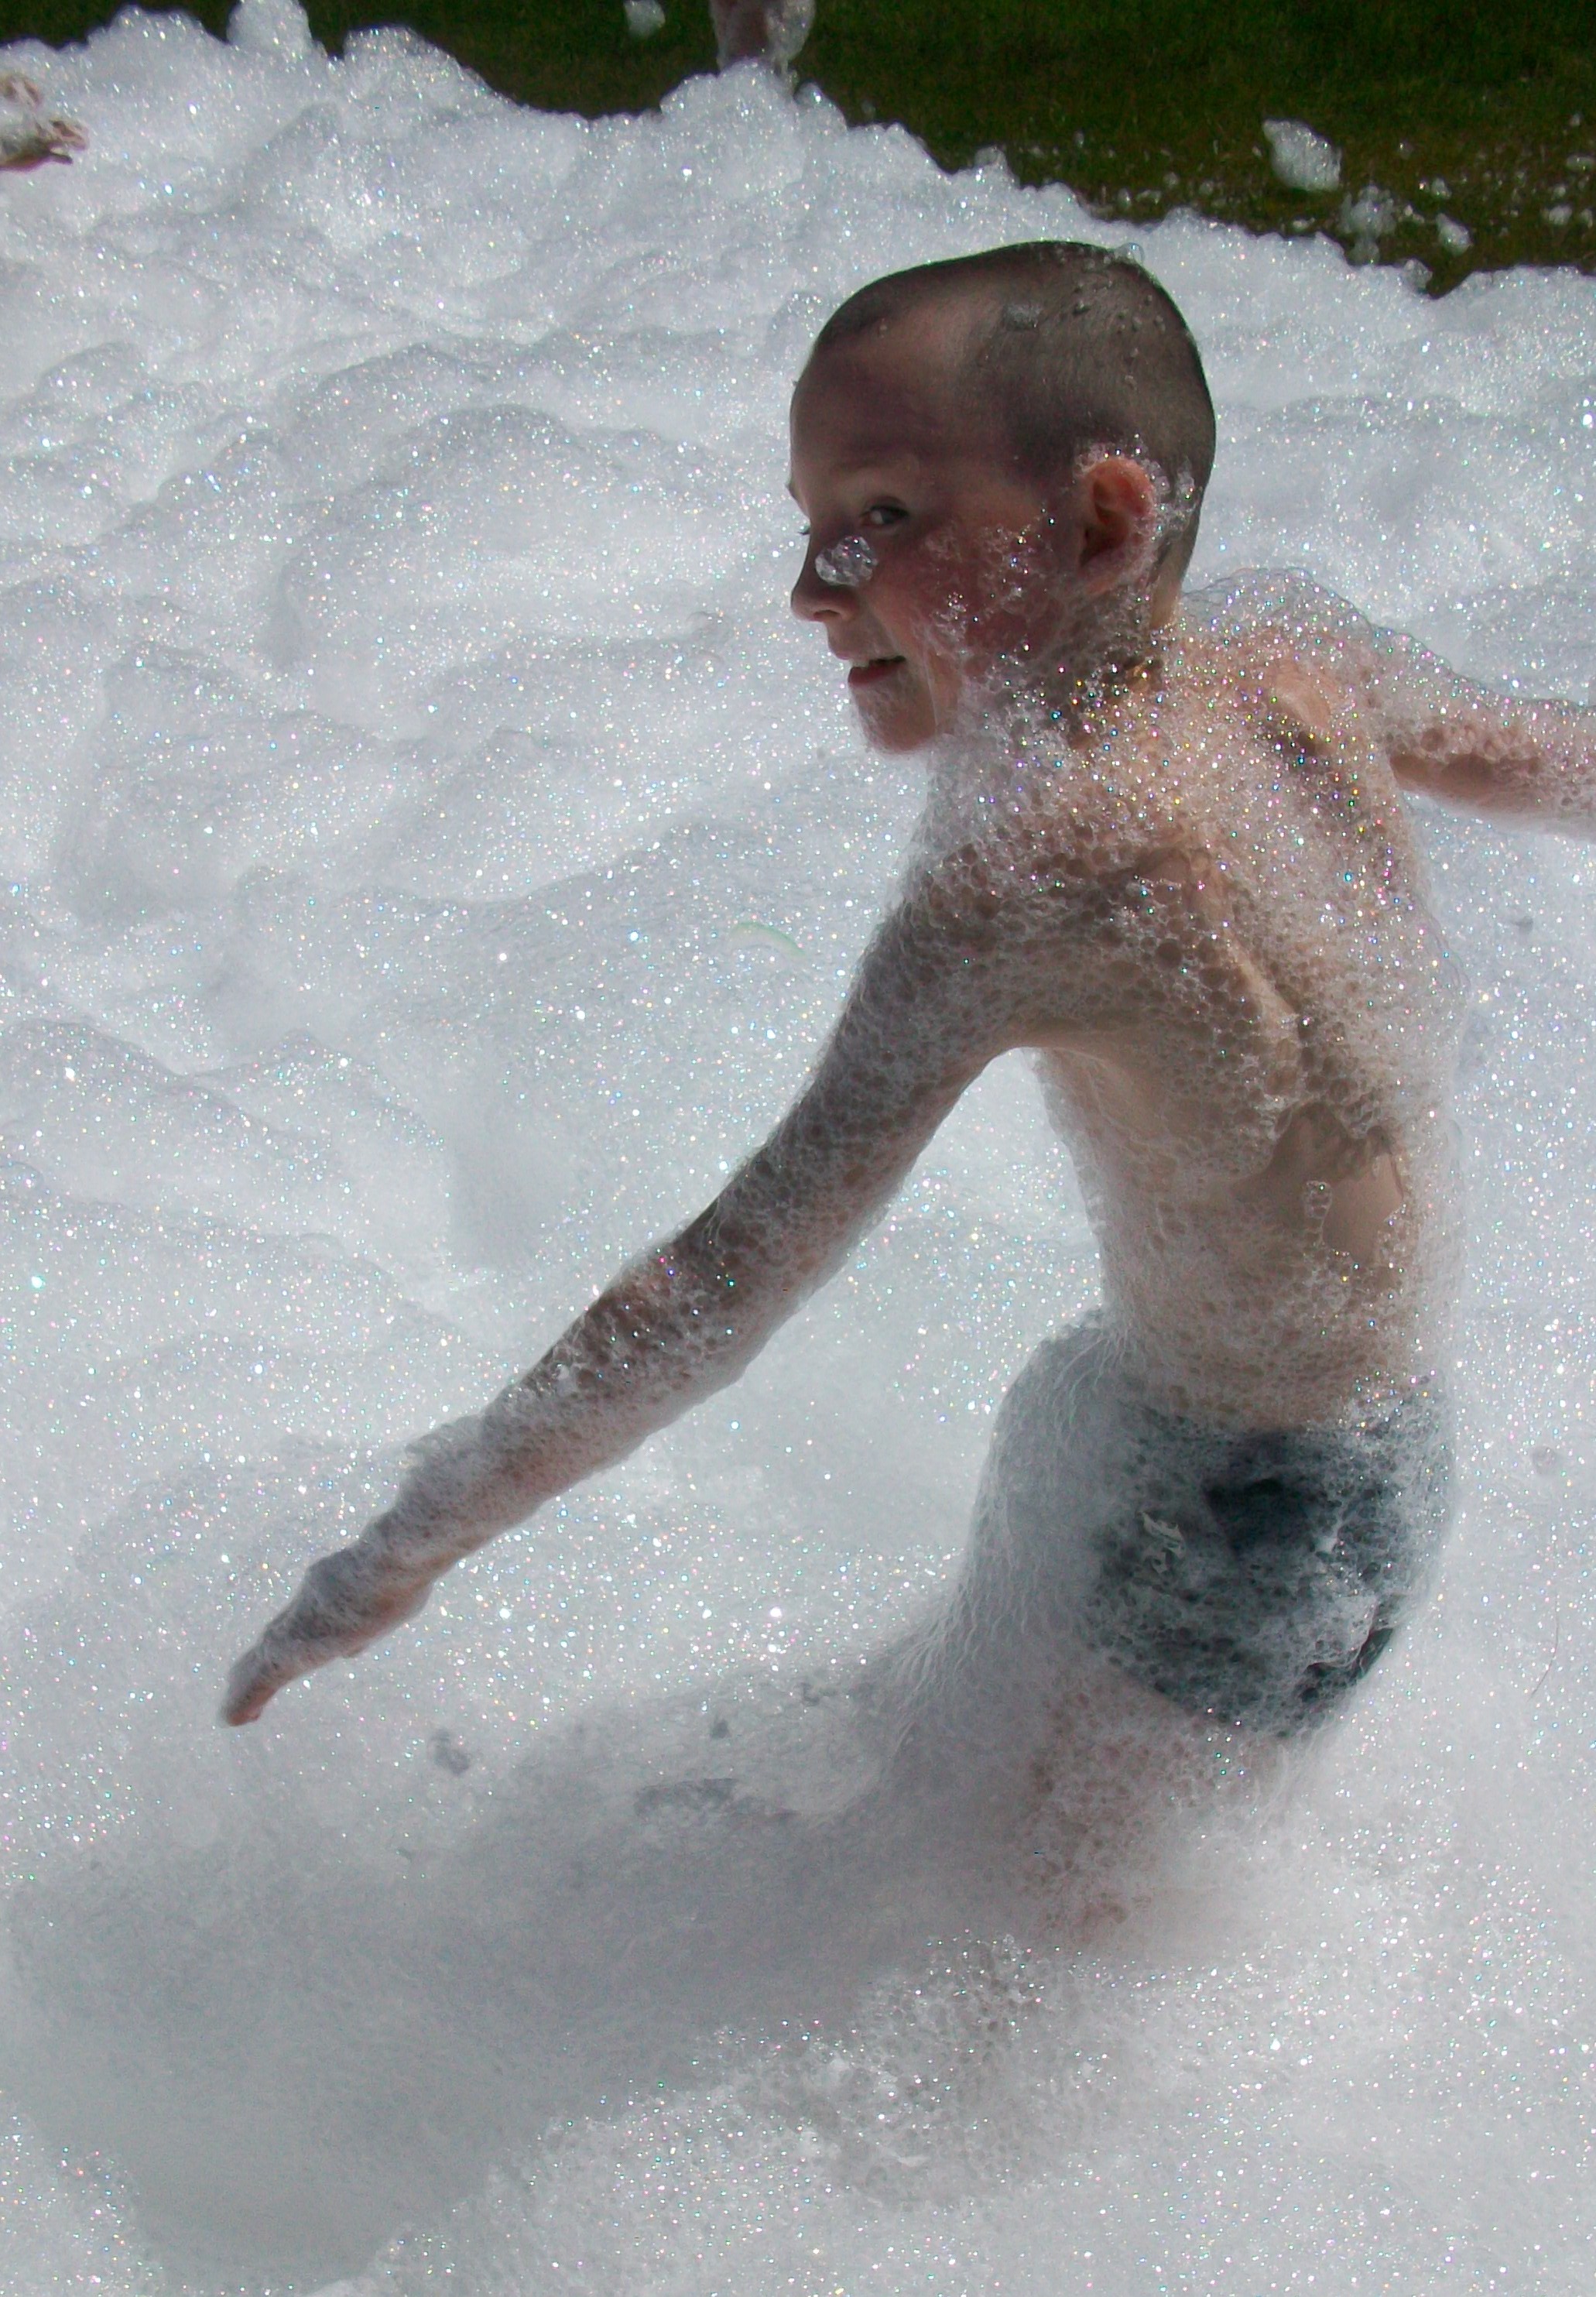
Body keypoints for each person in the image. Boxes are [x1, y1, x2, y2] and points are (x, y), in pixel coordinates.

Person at [223, 241, 1593, 1752]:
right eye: (809, 524)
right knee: (927, 1787)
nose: (810, 589)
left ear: (1099, 523)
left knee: (1022, 1891)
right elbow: (1561, 760)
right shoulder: (1297, 671)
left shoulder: (1023, 880)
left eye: (880, 517)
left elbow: (718, 1284)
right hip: (1357, 1452)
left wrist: (406, 1545)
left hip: (1229, 1530)